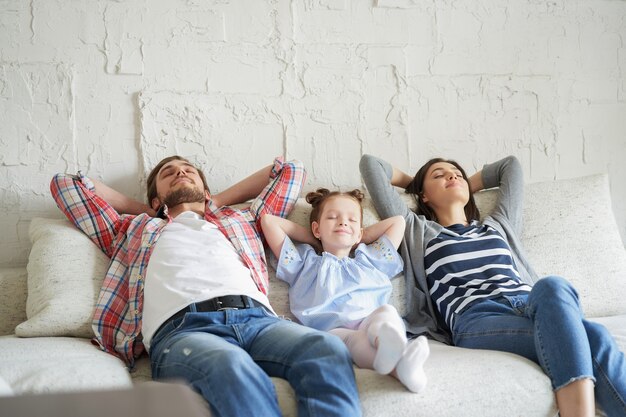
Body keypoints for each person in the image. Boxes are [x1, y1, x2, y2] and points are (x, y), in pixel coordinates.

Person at [50, 156, 362, 417]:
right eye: (168, 173)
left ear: (205, 187)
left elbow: (290, 170)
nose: (180, 172)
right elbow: (67, 184)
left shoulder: (241, 219)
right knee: (230, 364)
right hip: (185, 331)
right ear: (156, 197)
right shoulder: (131, 228)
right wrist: (151, 210)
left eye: (188, 170)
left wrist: (214, 200)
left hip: (259, 322)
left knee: (327, 348)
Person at [360, 154, 626, 417]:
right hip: (478, 318)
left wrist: (461, 184)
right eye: (438, 175)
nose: (451, 176)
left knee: (553, 286)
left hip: (530, 305)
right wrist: (415, 183)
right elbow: (371, 165)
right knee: (595, 339)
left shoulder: (499, 225)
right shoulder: (417, 230)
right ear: (424, 197)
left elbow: (510, 167)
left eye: (457, 173)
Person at [261, 188, 430, 393]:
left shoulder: (370, 260)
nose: (343, 222)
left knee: (387, 313)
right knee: (354, 339)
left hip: (371, 321)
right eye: (333, 217)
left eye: (351, 220)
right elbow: (269, 221)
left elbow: (398, 222)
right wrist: (314, 239)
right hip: (331, 332)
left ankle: (394, 349)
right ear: (316, 229)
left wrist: (360, 235)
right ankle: (401, 367)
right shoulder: (303, 264)